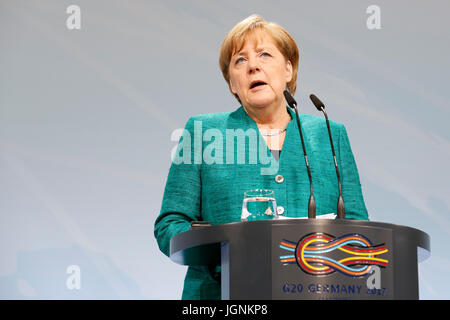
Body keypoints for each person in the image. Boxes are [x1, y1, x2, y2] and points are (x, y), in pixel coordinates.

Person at [154, 14, 368, 300]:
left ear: (288, 70)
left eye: (264, 55)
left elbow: (357, 226)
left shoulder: (329, 132)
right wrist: (221, 254)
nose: (253, 65)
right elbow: (170, 225)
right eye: (240, 61)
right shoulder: (203, 132)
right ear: (233, 83)